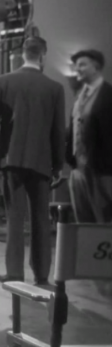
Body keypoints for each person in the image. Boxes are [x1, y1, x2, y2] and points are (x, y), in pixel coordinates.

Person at [0, 37, 65, 285]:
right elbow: (58, 131)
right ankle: (41, 274)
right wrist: (58, 165)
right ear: (43, 56)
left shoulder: (3, 81)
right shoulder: (55, 88)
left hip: (12, 159)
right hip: (41, 162)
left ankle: (14, 273)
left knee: (15, 218)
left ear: (22, 54)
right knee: (40, 218)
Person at [66, 50, 112, 223]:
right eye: (77, 65)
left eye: (82, 65)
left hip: (102, 171)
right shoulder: (79, 95)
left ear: (96, 67)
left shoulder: (108, 95)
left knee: (104, 221)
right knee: (83, 221)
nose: (78, 69)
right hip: (78, 169)